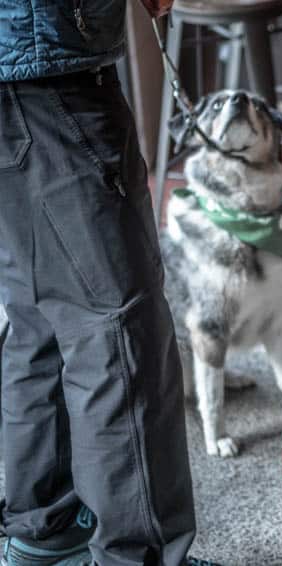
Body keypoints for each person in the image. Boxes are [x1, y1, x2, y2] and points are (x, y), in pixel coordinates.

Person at [0, 1, 215, 564]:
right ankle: (139, 557)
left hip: (22, 66)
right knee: (120, 330)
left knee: (40, 311)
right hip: (47, 68)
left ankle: (45, 532)